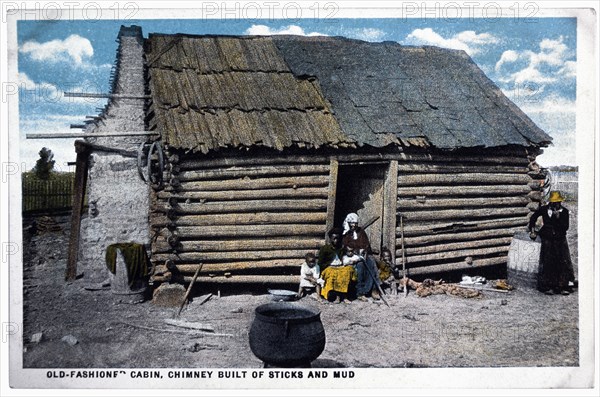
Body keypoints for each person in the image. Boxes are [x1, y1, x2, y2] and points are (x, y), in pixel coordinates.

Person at [528, 191, 575, 295]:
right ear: (551, 202)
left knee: (562, 262)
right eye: (554, 203)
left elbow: (565, 227)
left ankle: (563, 286)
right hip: (547, 239)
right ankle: (549, 286)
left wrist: (558, 218)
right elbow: (533, 217)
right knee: (548, 262)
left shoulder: (564, 212)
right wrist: (532, 230)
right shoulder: (544, 209)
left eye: (558, 202)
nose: (556, 204)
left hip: (560, 239)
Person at [341, 212, 380, 301]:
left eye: (355, 223)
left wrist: (364, 251)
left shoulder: (361, 232)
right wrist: (354, 252)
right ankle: (360, 292)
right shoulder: (346, 234)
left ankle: (373, 289)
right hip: (351, 256)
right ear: (348, 223)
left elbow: (366, 244)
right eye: (352, 223)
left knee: (371, 263)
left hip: (362, 255)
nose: (354, 225)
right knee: (360, 266)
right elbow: (345, 247)